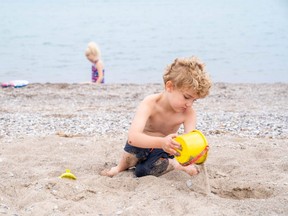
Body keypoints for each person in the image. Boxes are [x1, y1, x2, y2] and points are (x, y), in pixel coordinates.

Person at [101, 56, 212, 177]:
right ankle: (120, 167)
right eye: (186, 97)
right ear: (169, 87)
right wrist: (161, 142)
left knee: (142, 171)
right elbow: (133, 137)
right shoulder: (150, 103)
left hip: (164, 151)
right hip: (141, 144)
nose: (189, 104)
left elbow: (188, 144)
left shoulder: (188, 113)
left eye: (194, 100)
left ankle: (174, 164)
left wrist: (195, 151)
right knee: (131, 154)